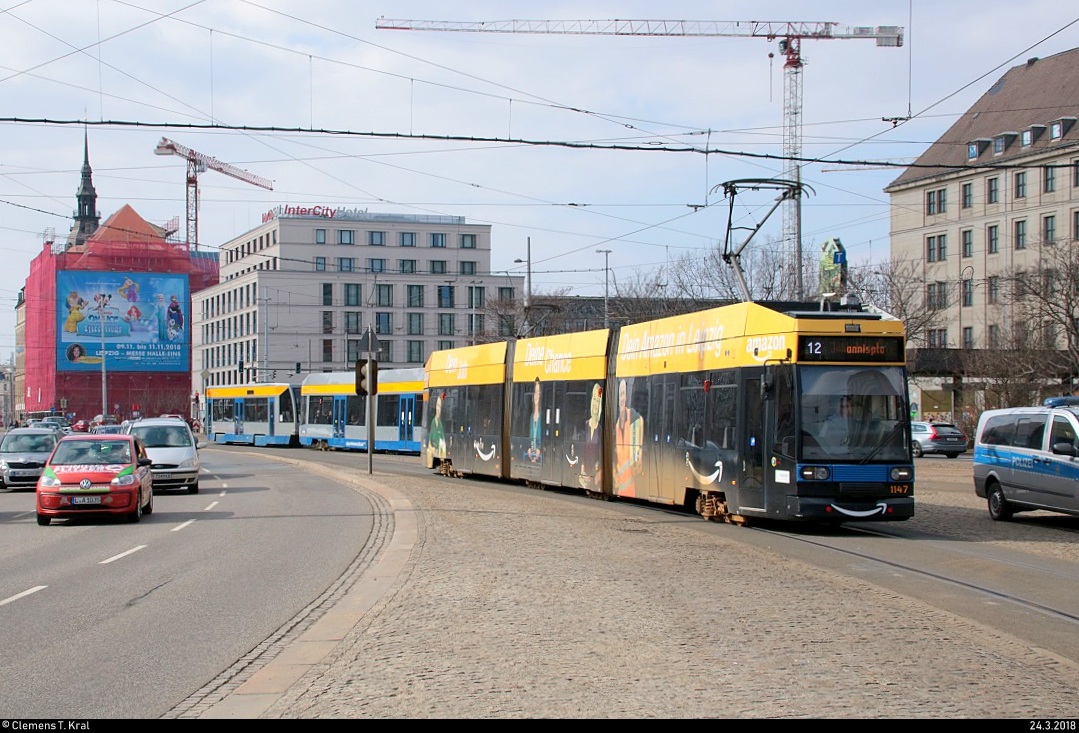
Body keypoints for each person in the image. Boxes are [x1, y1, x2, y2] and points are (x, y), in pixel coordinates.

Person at [614, 378, 644, 496]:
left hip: (633, 486)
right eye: (620, 395)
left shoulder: (633, 417)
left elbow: (636, 458)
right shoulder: (617, 424)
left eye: (623, 395)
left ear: (626, 398)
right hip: (621, 486)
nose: (621, 398)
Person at [579, 383, 603, 490]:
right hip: (584, 474)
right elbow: (582, 449)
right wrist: (582, 468)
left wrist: (598, 472)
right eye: (594, 399)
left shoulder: (600, 429)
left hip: (595, 474)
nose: (595, 404)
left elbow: (600, 454)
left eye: (598, 401)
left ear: (600, 405)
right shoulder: (585, 424)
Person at [527, 378, 542, 463]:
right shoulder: (531, 416)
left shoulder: (542, 416)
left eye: (538, 393)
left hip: (539, 446)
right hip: (532, 446)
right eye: (535, 393)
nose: (536, 396)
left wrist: (538, 449)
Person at [428, 393, 447, 461]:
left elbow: (442, 438)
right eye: (437, 406)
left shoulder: (441, 423)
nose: (438, 409)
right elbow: (431, 438)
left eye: (440, 407)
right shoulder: (433, 422)